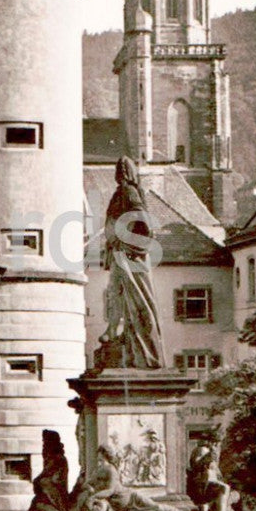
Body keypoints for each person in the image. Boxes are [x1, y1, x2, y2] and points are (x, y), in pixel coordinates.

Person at [98, 156, 164, 369]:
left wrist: (130, 241)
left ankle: (134, 339)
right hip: (120, 251)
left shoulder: (129, 192)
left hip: (129, 253)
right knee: (116, 292)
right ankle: (115, 331)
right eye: (119, 170)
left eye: (123, 170)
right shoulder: (120, 193)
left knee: (128, 295)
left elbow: (144, 221)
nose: (120, 174)